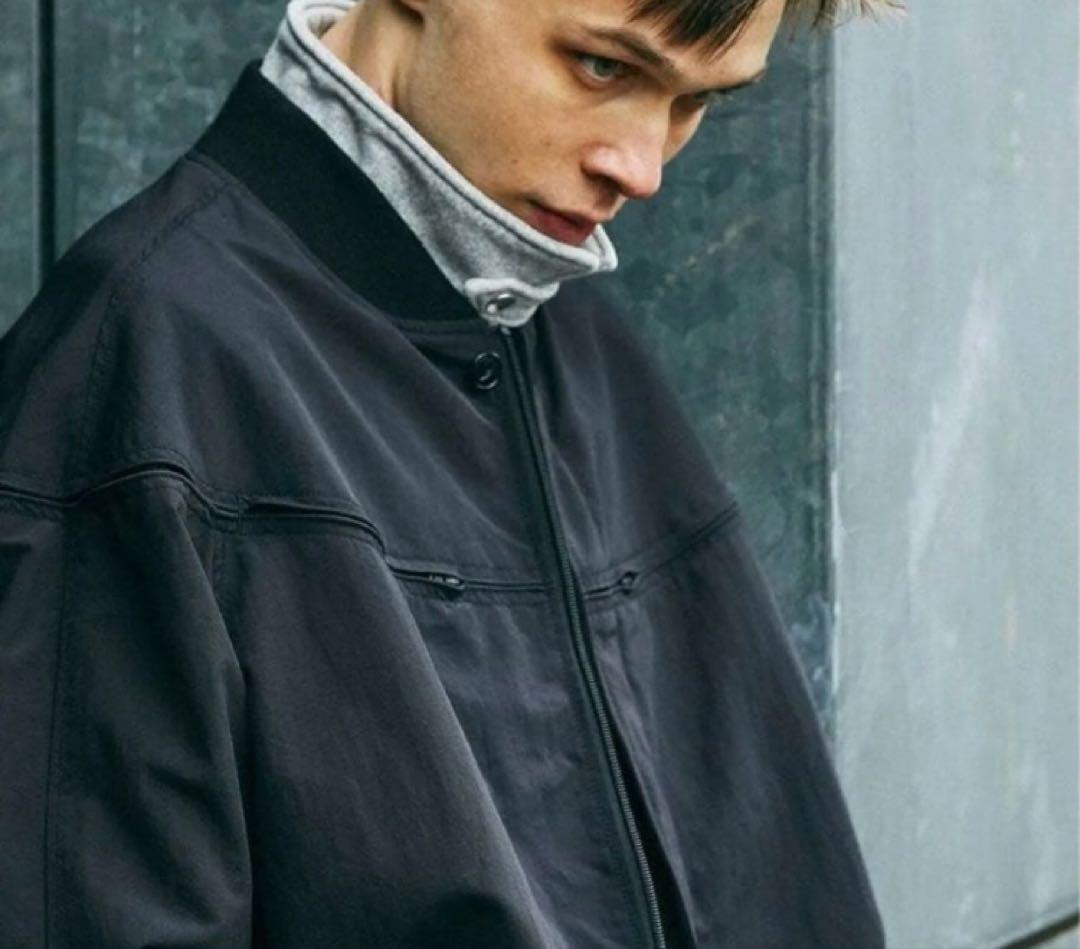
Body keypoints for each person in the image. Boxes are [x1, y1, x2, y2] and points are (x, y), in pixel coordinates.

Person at [0, 0, 893, 945]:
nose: (641, 167)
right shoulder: (137, 370)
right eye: (601, 67)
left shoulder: (571, 335)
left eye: (696, 101)